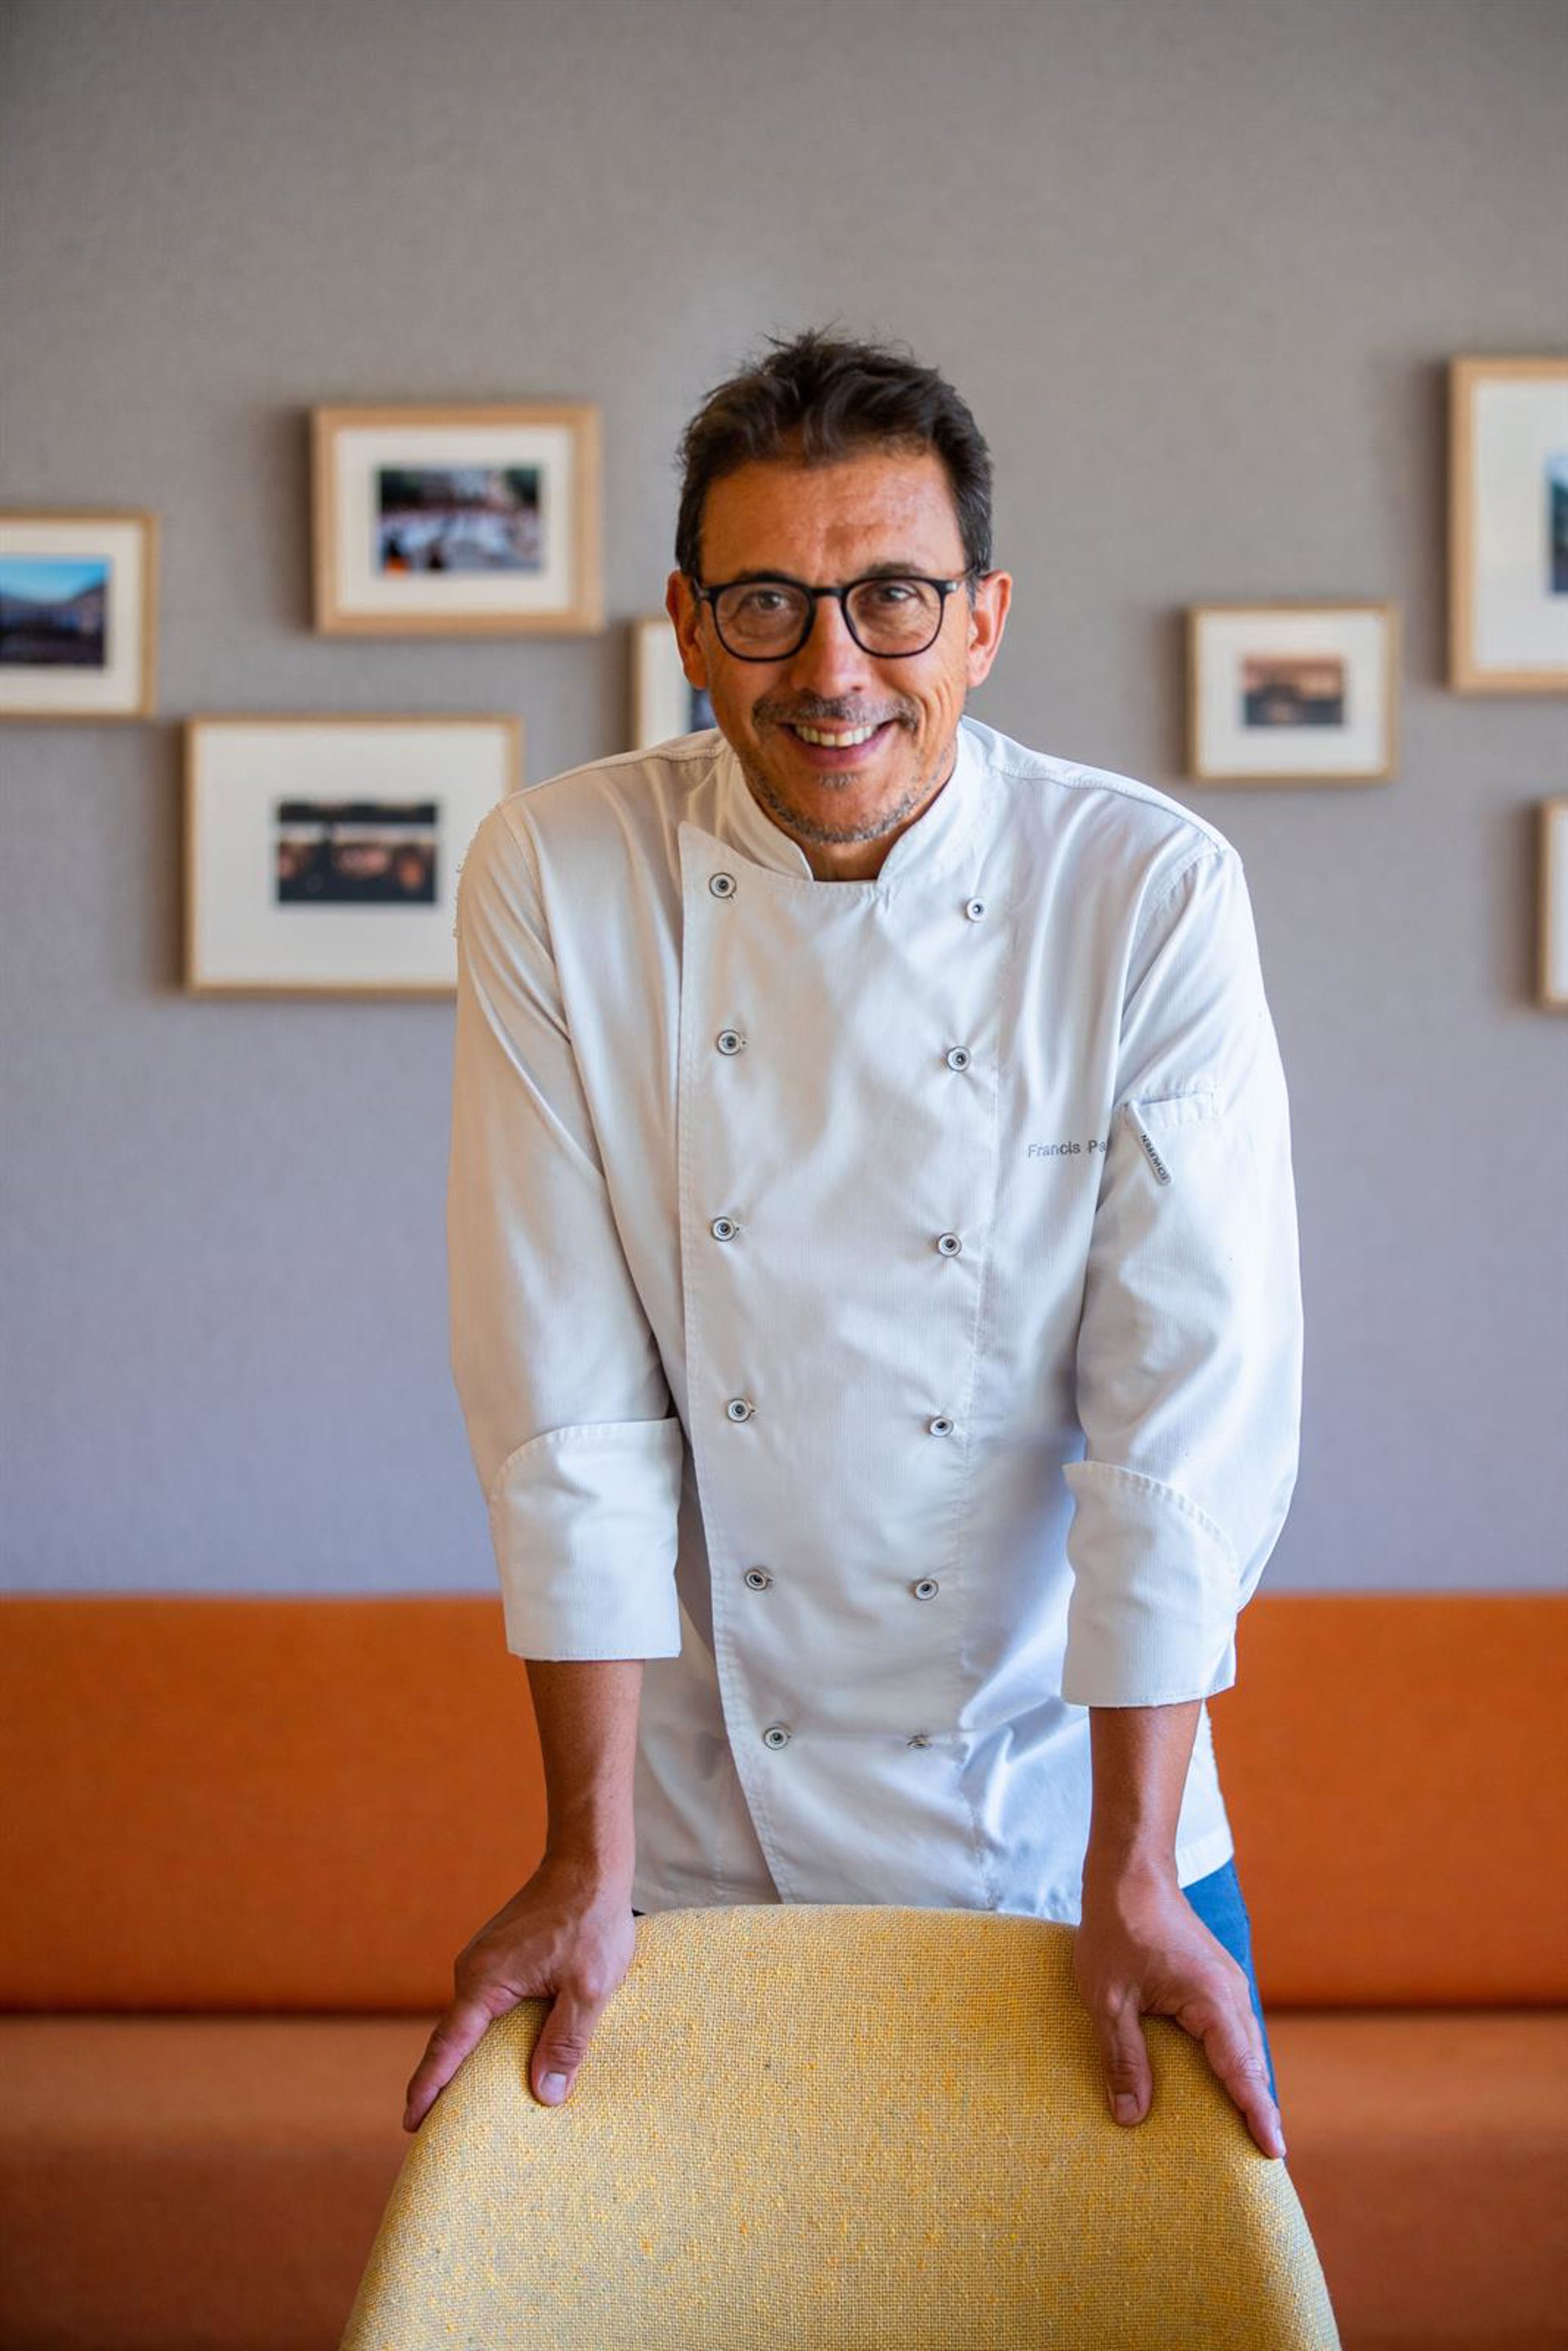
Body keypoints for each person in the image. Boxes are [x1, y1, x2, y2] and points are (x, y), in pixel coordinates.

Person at [405, 332, 1302, 2170]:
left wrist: (1131, 1868)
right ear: (687, 622)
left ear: (983, 621)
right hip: (694, 1850)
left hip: (1072, 1832)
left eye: (894, 598)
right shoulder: (559, 876)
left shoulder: (1144, 893)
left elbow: (1180, 1421)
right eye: (766, 604)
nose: (832, 671)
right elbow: (568, 1414)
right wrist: (585, 1860)